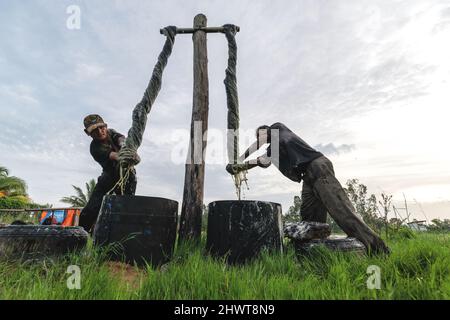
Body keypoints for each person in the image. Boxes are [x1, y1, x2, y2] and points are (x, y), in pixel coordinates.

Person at [226, 122, 390, 254]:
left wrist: (241, 160)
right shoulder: (274, 148)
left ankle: (379, 250)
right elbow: (264, 160)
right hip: (307, 177)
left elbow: (260, 150)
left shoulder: (278, 128)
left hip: (318, 167)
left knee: (342, 211)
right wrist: (240, 165)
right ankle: (314, 255)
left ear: (266, 131)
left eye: (260, 136)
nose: (260, 141)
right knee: (309, 221)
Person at [79, 114, 138, 233]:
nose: (100, 132)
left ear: (105, 126)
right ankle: (80, 235)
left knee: (127, 207)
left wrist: (125, 146)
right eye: (95, 131)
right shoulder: (95, 148)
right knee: (91, 209)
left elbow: (120, 138)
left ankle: (123, 235)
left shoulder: (111, 132)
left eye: (102, 127)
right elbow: (114, 156)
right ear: (88, 133)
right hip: (109, 177)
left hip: (128, 176)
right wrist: (126, 156)